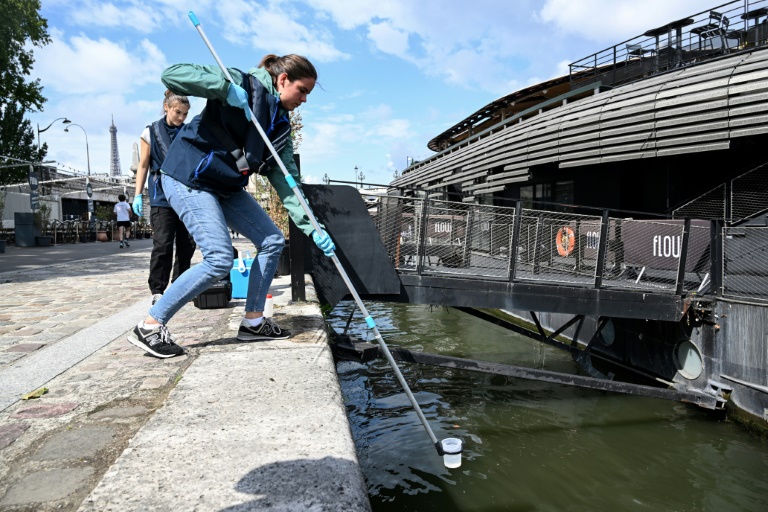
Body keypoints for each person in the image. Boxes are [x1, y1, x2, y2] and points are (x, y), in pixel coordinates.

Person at [127, 54, 335, 358]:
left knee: (272, 240)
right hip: (188, 177)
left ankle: (253, 321)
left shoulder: (279, 126)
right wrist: (223, 89)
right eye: (302, 90)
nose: (304, 99)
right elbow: (173, 74)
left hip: (224, 186)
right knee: (219, 258)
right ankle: (149, 324)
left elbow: (288, 181)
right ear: (283, 80)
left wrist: (312, 226)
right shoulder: (240, 83)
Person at [132, 90, 196, 305]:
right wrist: (137, 195)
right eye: (178, 112)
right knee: (163, 244)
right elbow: (142, 166)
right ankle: (158, 290)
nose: (181, 118)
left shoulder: (188, 131)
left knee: (187, 244)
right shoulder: (150, 132)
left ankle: (179, 285)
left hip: (185, 195)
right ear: (166, 107)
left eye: (185, 114)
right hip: (161, 197)